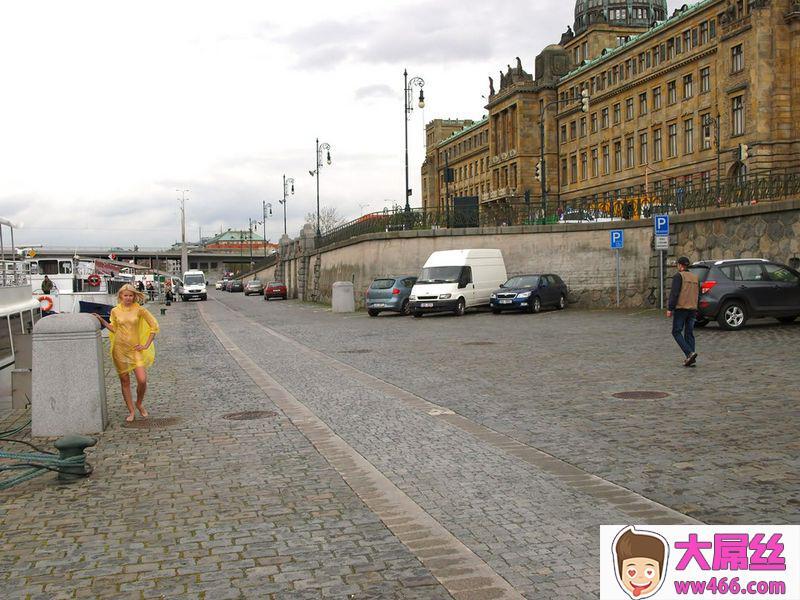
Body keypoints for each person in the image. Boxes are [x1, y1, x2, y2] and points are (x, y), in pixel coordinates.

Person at [93, 283, 160, 423]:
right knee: (125, 381)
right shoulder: (115, 311)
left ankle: (139, 403)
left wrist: (146, 345)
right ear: (120, 296)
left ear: (134, 296)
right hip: (120, 349)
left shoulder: (140, 310)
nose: (128, 298)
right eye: (125, 295)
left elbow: (154, 326)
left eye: (131, 295)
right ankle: (131, 410)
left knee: (142, 379)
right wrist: (102, 321)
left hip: (135, 349)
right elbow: (115, 329)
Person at [666, 257, 700, 367]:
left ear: (680, 265)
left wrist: (670, 308)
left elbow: (674, 293)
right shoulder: (695, 277)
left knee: (676, 332)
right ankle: (691, 358)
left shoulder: (678, 276)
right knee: (689, 333)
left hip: (681, 308)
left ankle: (689, 353)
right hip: (693, 309)